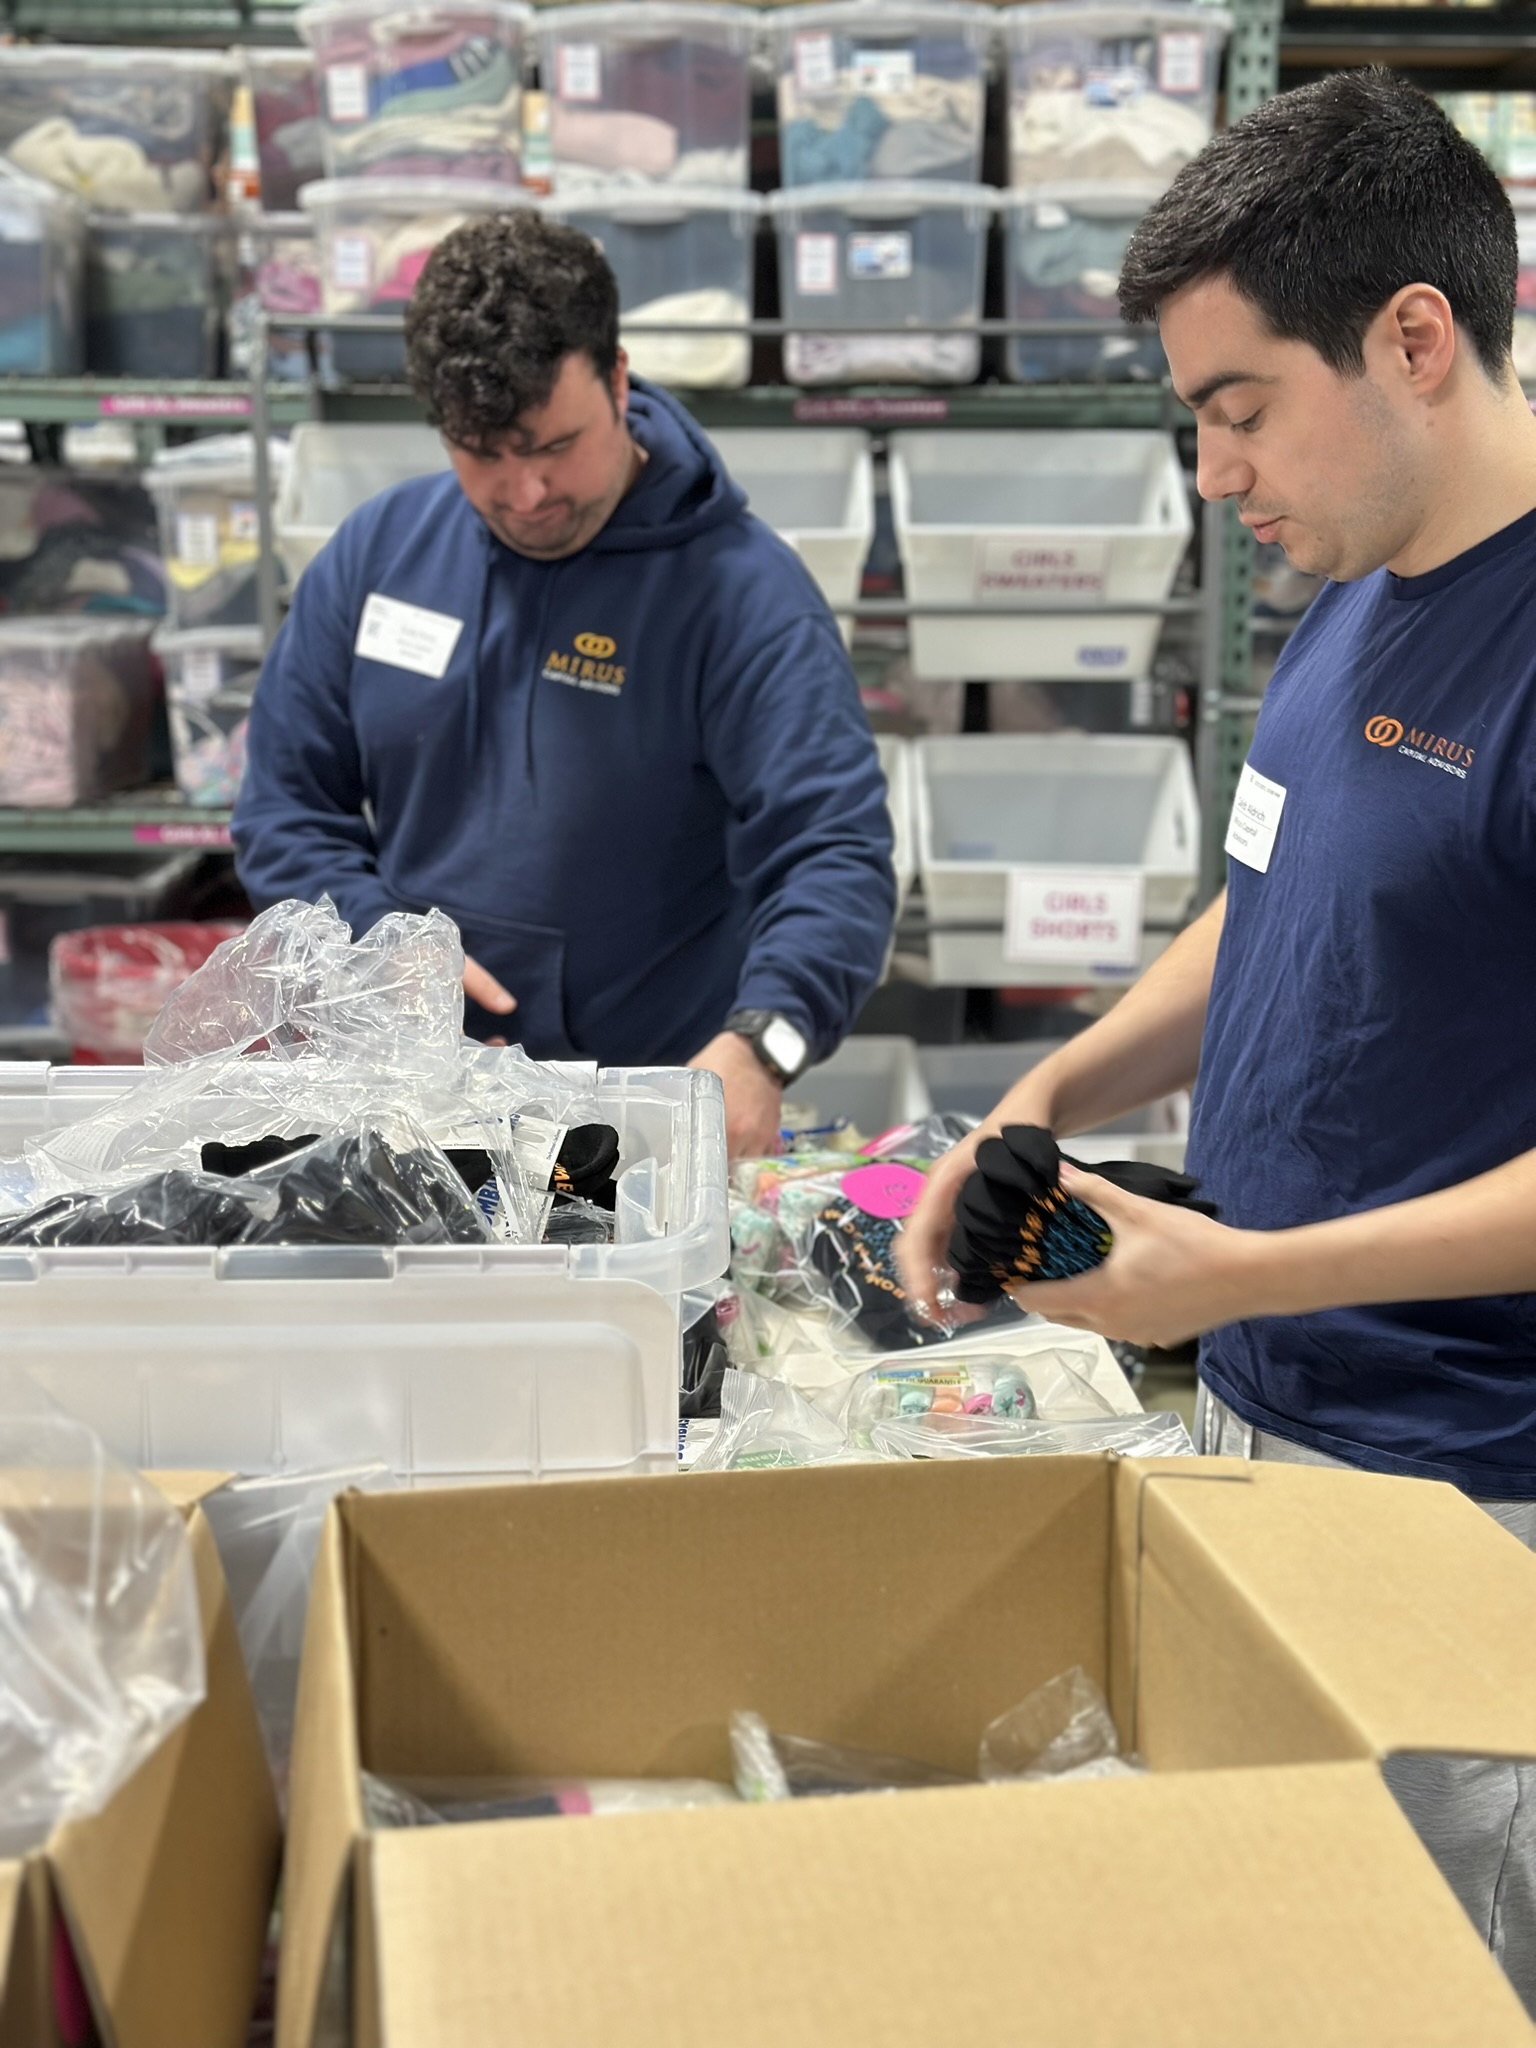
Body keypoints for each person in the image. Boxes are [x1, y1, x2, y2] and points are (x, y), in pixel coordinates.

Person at [897, 70, 1536, 2003]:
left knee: (1426, 1983)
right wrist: (1046, 1087)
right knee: (1265, 1967)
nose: (1211, 471)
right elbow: (1271, 890)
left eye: (1239, 406)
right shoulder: (1356, 580)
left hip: (1460, 1497)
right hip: (1260, 1421)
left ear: (1411, 340)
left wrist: (1239, 1269)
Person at [233, 211, 895, 1157]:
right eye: (482, 453)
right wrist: (376, 944)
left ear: (618, 380)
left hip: (640, 1121)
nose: (526, 495)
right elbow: (285, 808)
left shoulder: (745, 596)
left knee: (614, 1254)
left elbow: (833, 850)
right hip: (413, 1099)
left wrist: (764, 1045)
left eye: (552, 446)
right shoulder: (379, 554)